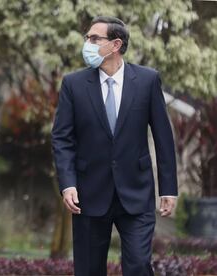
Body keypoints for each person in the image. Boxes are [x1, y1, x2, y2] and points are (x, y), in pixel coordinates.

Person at [51, 16, 177, 276]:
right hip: (88, 194)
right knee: (88, 270)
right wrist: (68, 183)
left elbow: (163, 137)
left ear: (116, 44)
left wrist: (169, 188)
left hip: (137, 192)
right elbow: (62, 138)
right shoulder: (73, 84)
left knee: (139, 266)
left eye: (94, 38)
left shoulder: (147, 81)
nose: (87, 43)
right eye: (87, 38)